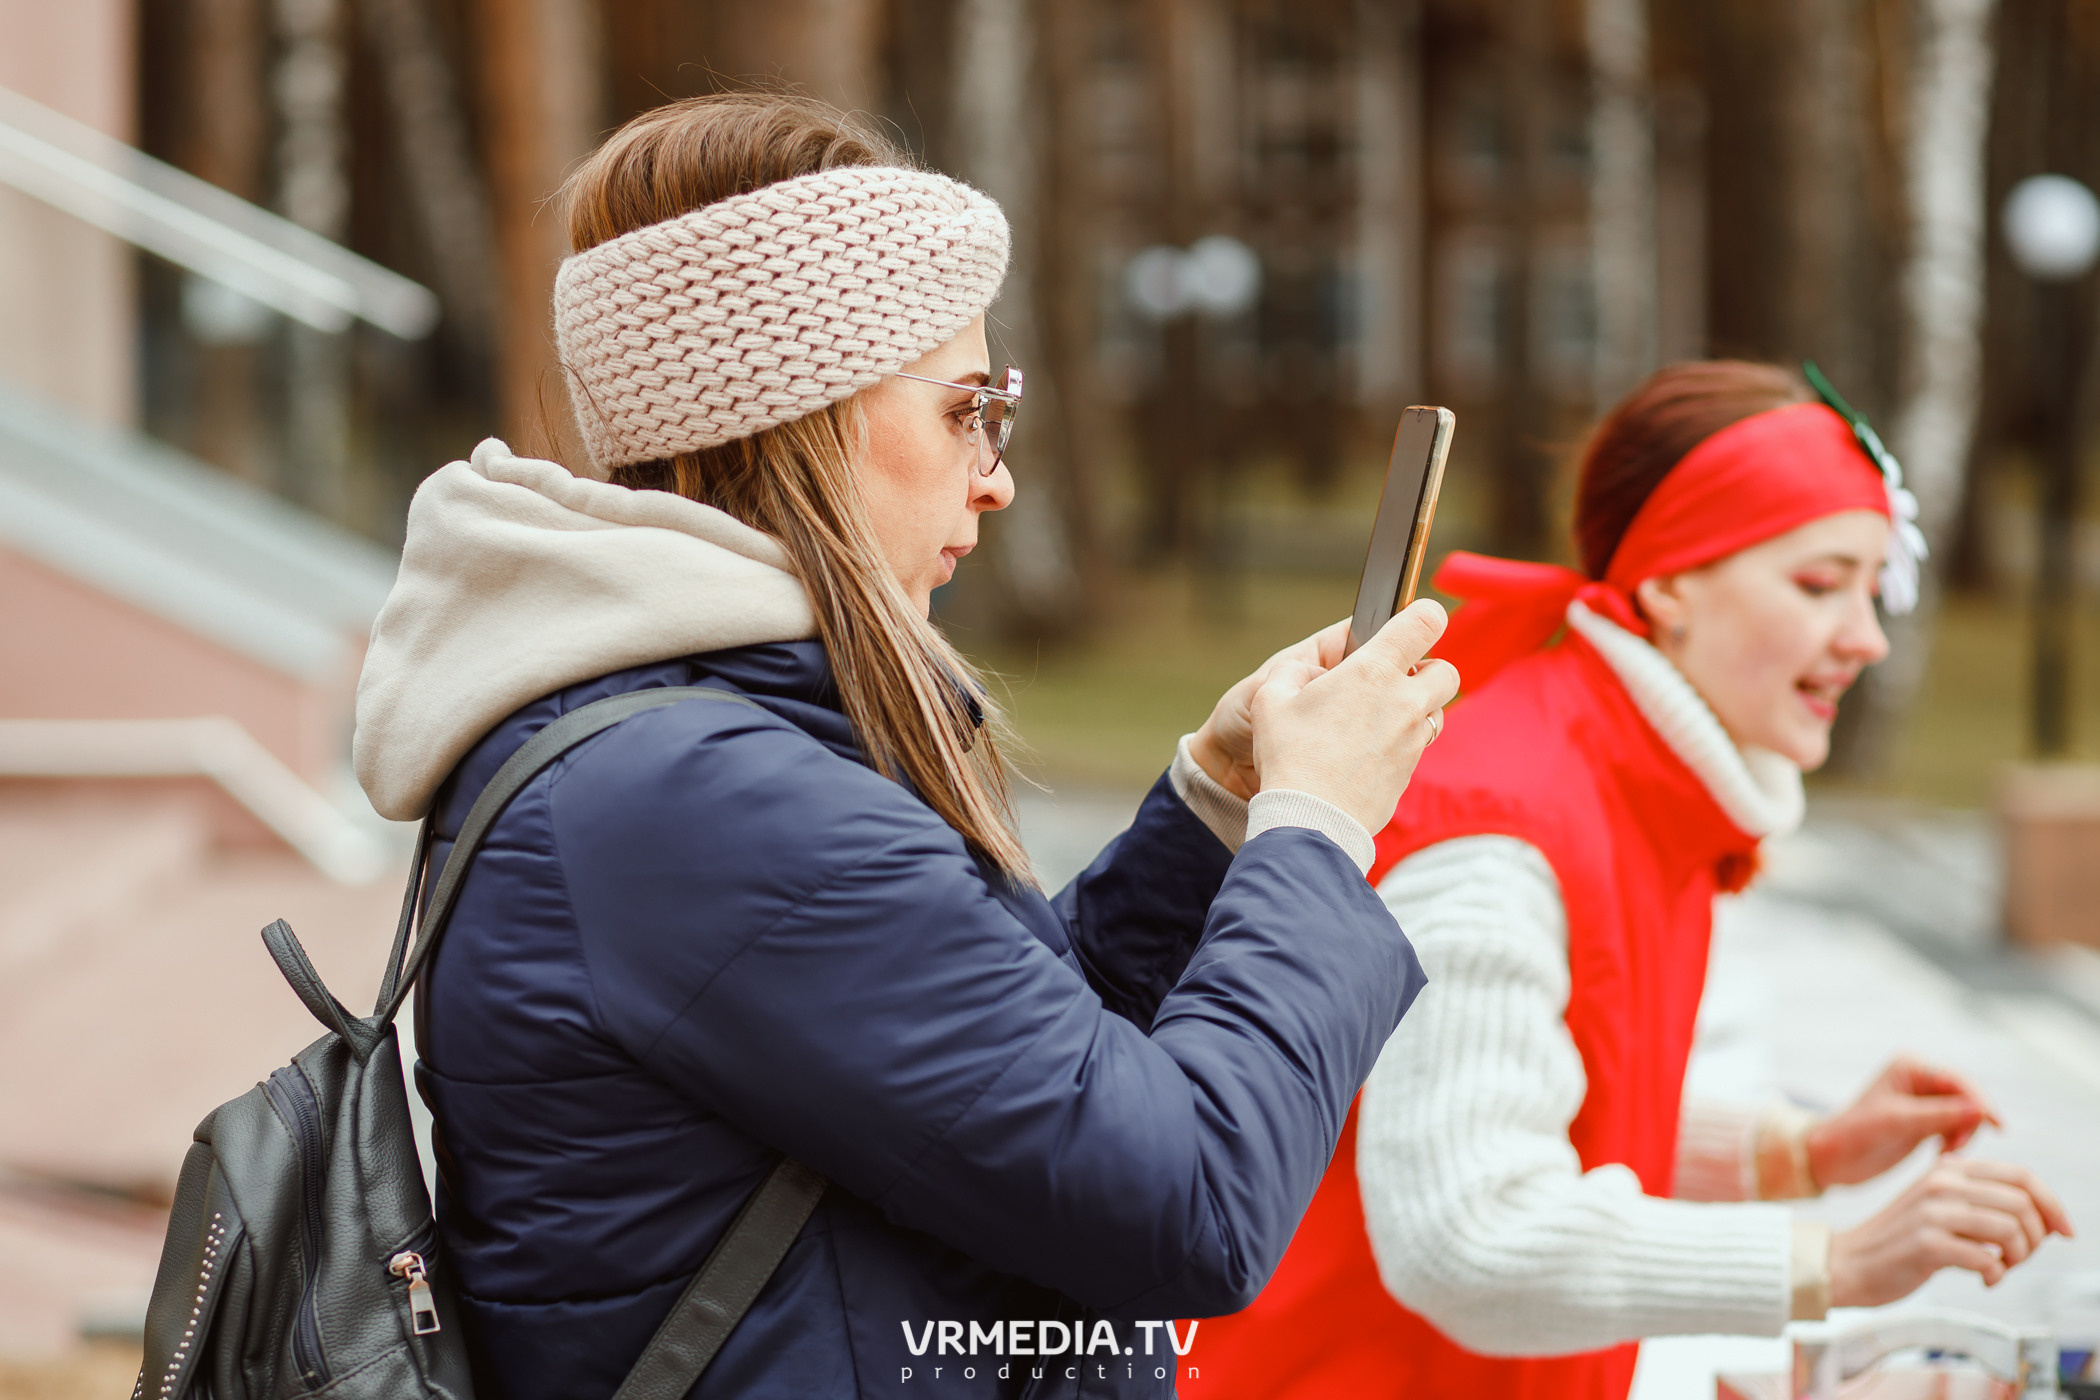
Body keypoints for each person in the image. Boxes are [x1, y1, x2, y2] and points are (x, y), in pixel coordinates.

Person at [348, 93, 1460, 1400]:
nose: (996, 474)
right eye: (965, 408)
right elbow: (1189, 1203)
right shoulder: (700, 803)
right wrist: (1315, 831)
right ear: (800, 422)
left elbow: (999, 1072)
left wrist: (1216, 807)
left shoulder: (690, 748)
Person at [1184, 361, 2073, 1400]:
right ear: (1670, 582)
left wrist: (1800, 1152)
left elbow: (1512, 1092)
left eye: (1874, 590)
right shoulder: (1505, 830)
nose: (1867, 636)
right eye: (1820, 583)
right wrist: (1839, 1262)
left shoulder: (1622, 775)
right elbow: (1467, 1230)